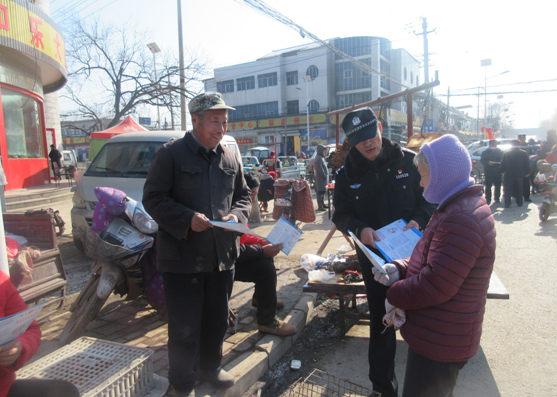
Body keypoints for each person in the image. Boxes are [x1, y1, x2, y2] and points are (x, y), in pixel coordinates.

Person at [142, 92, 251, 395]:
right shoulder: (171, 154)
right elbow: (153, 198)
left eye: (225, 122)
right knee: (185, 328)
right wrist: (186, 218)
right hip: (183, 259)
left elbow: (243, 196)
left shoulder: (230, 155)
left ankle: (211, 368)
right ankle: (183, 381)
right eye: (215, 121)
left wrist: (236, 215)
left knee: (217, 320)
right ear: (195, 120)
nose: (221, 128)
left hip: (222, 257)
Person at [373, 134, 495, 397]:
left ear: (441, 175)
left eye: (423, 174)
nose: (420, 181)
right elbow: (430, 256)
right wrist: (400, 267)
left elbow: (436, 284)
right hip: (441, 333)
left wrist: (394, 293)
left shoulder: (460, 217)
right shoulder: (455, 207)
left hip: (442, 339)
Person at [332, 107, 436, 397]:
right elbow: (340, 214)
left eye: (370, 135)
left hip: (414, 255)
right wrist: (360, 228)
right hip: (375, 259)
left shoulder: (409, 161)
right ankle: (383, 389)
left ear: (379, 126)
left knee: (423, 318)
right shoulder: (347, 173)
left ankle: (427, 388)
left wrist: (419, 220)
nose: (368, 143)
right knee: (381, 321)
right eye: (360, 140)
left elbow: (430, 200)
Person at [234, 173, 296, 336]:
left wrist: (262, 242)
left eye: (255, 194)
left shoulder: (240, 210)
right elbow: (234, 249)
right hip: (225, 263)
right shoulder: (232, 212)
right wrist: (262, 249)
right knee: (265, 268)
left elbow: (244, 237)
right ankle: (267, 321)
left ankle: (261, 300)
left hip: (235, 256)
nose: (254, 199)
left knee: (267, 255)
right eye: (251, 194)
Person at [1, 271, 80, 397]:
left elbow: (30, 329)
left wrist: (18, 348)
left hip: (4, 388)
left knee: (64, 391)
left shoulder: (1, 281)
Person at [500, 139, 530, 208]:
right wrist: (527, 172)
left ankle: (507, 203)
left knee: (508, 189)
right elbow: (527, 163)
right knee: (519, 188)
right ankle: (519, 202)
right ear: (519, 145)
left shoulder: (507, 153)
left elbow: (503, 163)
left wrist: (502, 171)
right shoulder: (523, 153)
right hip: (519, 174)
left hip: (509, 173)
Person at [480, 139, 503, 204]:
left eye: (495, 144)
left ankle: (497, 198)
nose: (494, 145)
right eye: (493, 144)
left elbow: (503, 159)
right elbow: (482, 161)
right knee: (488, 186)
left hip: (497, 171)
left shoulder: (499, 151)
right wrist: (489, 162)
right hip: (488, 171)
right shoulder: (485, 152)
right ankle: (488, 199)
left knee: (498, 186)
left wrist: (499, 163)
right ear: (490, 144)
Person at [517, 134, 533, 202]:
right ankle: (516, 196)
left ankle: (527, 197)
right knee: (517, 183)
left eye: (523, 138)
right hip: (516, 167)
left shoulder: (528, 146)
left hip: (525, 166)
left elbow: (531, 154)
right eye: (520, 139)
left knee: (526, 183)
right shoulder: (516, 146)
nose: (521, 140)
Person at [314, 144, 328, 211]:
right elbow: (320, 168)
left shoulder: (321, 157)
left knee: (323, 191)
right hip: (320, 178)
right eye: (323, 151)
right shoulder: (318, 158)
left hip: (323, 178)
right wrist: (324, 176)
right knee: (320, 192)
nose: (324, 152)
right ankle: (320, 206)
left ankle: (323, 204)